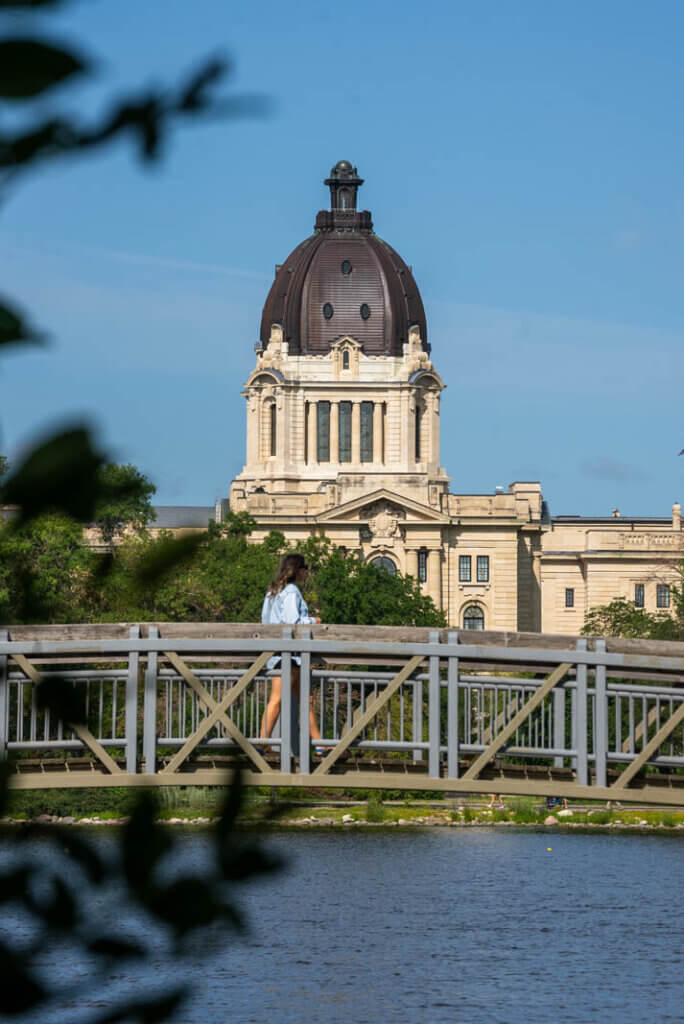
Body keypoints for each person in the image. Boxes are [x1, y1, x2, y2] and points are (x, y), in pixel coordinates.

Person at [259, 553, 325, 755]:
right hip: (287, 655)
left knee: (306, 700)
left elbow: (265, 621)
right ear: (298, 570)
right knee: (277, 700)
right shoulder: (291, 592)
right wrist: (314, 621)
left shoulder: (272, 592)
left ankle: (320, 743)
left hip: (282, 654)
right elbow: (292, 622)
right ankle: (260, 743)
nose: (307, 573)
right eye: (305, 569)